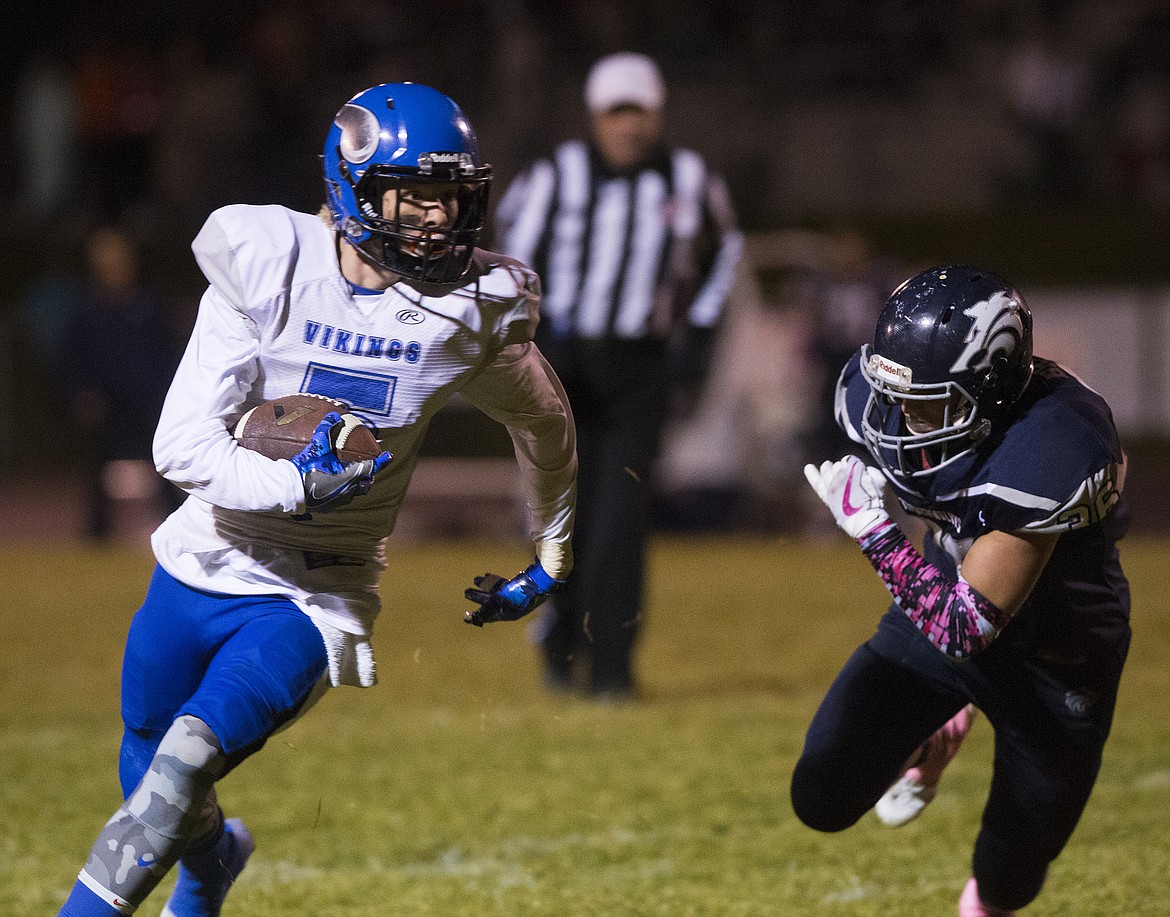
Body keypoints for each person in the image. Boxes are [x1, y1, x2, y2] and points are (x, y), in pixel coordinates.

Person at [57, 82, 576, 917]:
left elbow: (546, 425)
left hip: (315, 589)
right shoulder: (269, 265)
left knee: (186, 755)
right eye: (418, 198)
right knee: (147, 758)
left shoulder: (467, 313)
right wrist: (301, 481)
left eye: (453, 199)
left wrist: (553, 552)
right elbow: (180, 447)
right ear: (357, 190)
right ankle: (212, 861)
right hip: (203, 553)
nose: (440, 221)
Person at [791, 265, 1131, 916]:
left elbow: (964, 628)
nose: (900, 419)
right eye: (896, 394)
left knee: (1007, 876)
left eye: (928, 402)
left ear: (992, 394)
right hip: (948, 588)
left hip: (1057, 651)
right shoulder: (886, 398)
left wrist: (871, 528)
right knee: (823, 794)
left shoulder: (1052, 446)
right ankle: (934, 732)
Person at [495, 52, 742, 699]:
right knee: (563, 515)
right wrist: (530, 343)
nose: (628, 127)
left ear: (657, 116)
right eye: (616, 113)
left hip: (639, 370)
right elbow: (510, 257)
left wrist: (694, 350)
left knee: (621, 523)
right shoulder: (556, 176)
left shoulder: (688, 180)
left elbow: (723, 261)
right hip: (564, 366)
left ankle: (611, 670)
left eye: (639, 112)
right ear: (596, 117)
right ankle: (559, 644)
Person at [59, 225, 182, 539]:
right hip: (105, 403)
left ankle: (179, 531)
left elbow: (169, 352)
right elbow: (73, 357)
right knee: (97, 473)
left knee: (167, 466)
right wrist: (81, 392)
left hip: (150, 401)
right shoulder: (86, 308)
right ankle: (96, 541)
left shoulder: (150, 303)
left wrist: (171, 395)